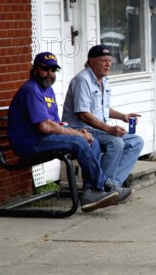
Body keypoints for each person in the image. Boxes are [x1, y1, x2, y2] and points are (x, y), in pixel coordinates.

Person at [7, 52, 119, 213]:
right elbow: (45, 126)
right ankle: (104, 186)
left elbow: (56, 123)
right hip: (29, 143)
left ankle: (90, 193)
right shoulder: (32, 90)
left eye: (53, 70)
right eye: (45, 69)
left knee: (90, 140)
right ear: (35, 70)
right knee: (80, 141)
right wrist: (77, 135)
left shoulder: (48, 90)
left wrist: (75, 131)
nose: (49, 73)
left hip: (43, 138)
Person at [62, 45, 143, 202]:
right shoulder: (82, 80)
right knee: (116, 142)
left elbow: (103, 108)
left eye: (110, 61)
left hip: (99, 129)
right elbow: (83, 114)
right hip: (81, 129)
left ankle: (112, 187)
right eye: (104, 61)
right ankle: (101, 189)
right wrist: (109, 129)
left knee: (136, 141)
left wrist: (122, 116)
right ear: (92, 62)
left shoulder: (104, 80)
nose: (108, 64)